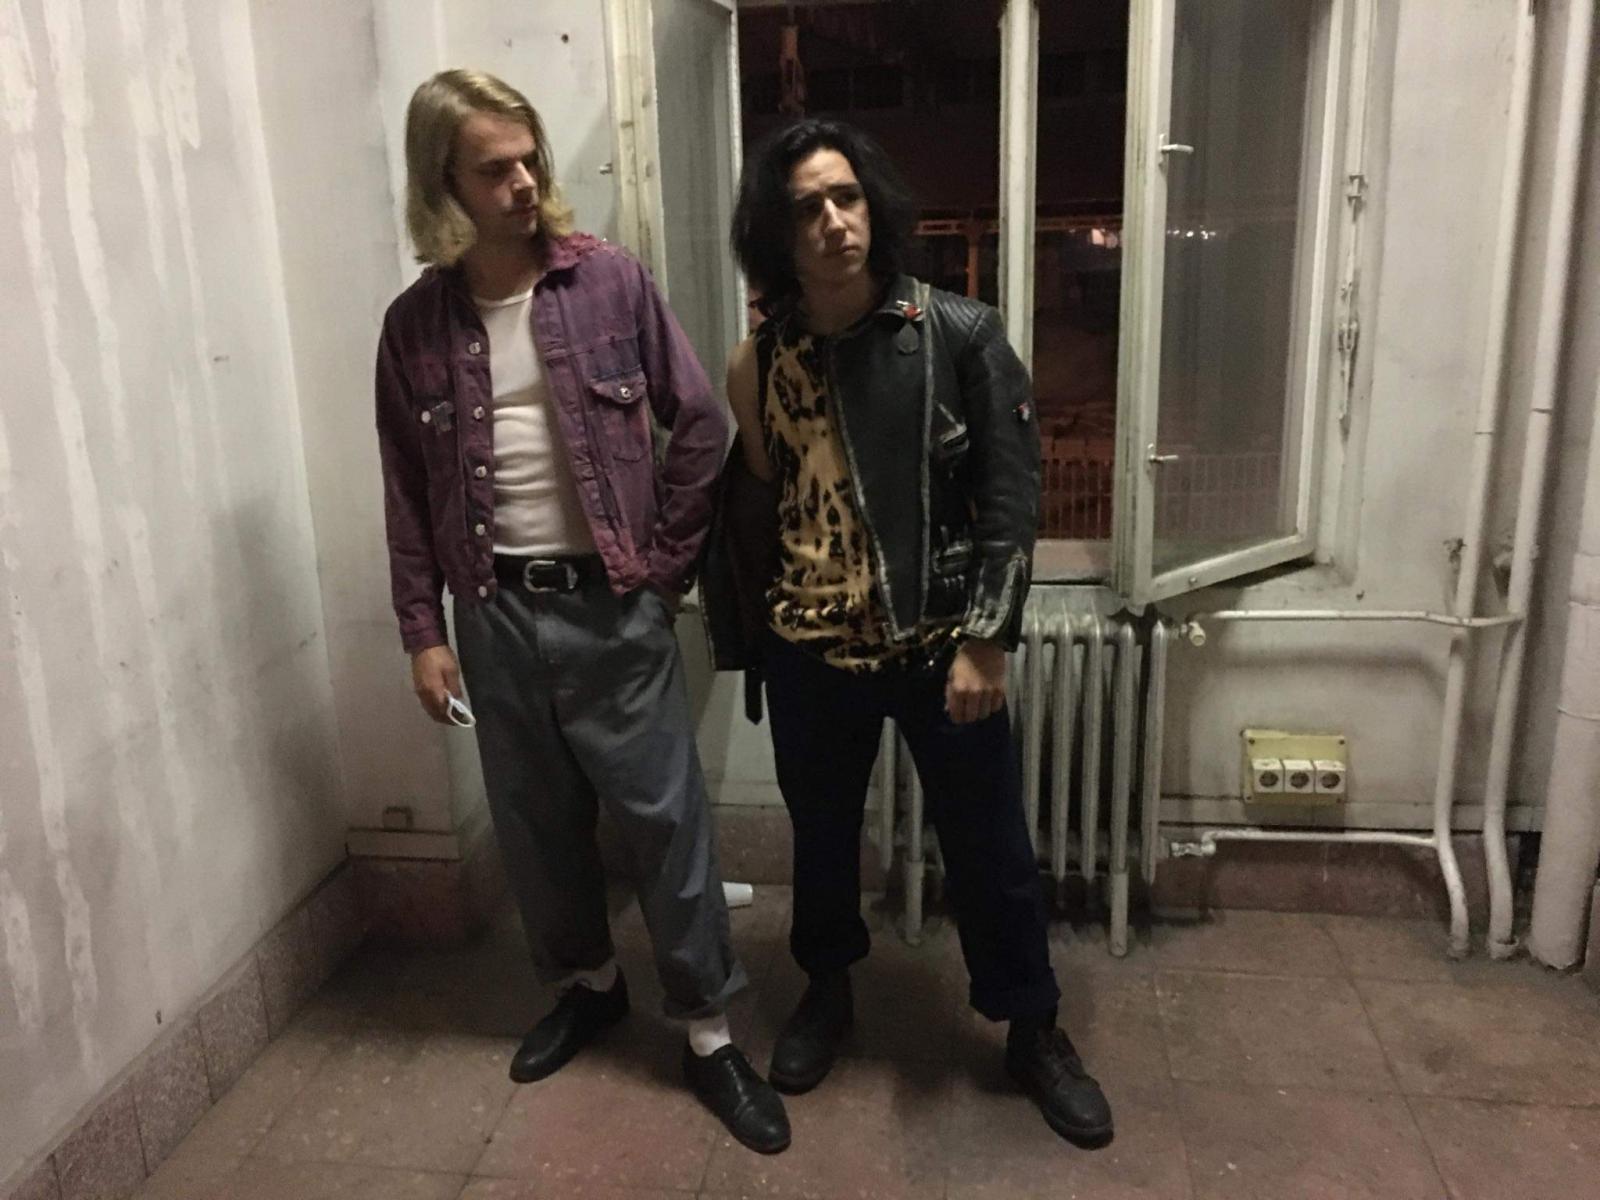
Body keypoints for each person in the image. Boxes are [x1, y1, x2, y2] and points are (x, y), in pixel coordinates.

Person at [373, 68, 788, 1154]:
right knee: (535, 822)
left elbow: (701, 425)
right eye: (494, 169)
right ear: (442, 184)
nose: (523, 184)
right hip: (492, 611)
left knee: (665, 822)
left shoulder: (608, 284)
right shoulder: (414, 327)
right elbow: (406, 491)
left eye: (530, 160)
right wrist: (423, 632)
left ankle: (708, 1032)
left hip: (612, 604)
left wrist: (661, 571)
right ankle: (590, 986)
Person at [707, 116, 1113, 1147]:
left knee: (990, 847)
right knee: (822, 840)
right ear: (776, 233)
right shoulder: (758, 361)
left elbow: (1011, 500)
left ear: (875, 207)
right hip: (811, 651)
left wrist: (986, 640)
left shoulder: (958, 334)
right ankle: (827, 991)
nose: (833, 222)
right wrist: (749, 636)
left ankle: (1031, 1026)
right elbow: (762, 506)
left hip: (939, 647)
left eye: (846, 197)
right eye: (807, 207)